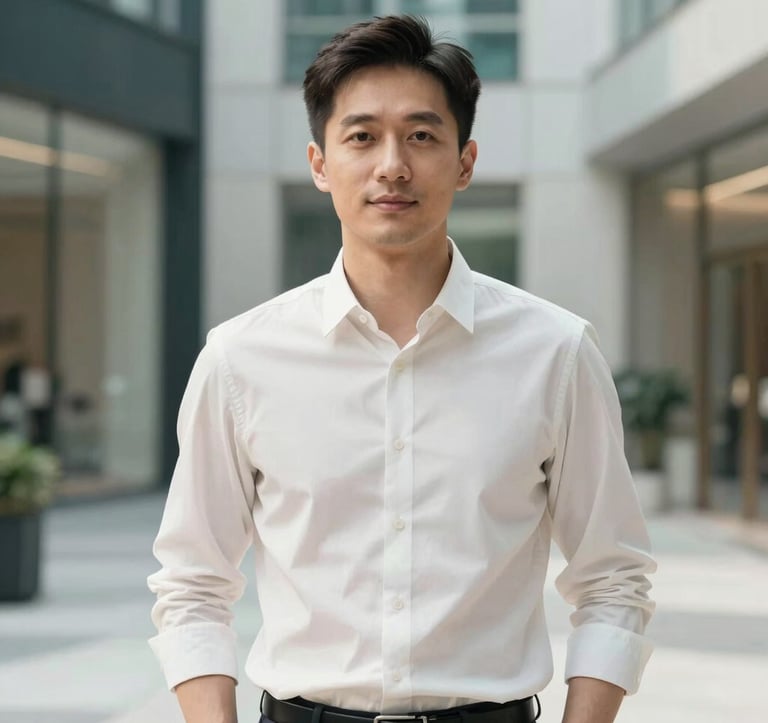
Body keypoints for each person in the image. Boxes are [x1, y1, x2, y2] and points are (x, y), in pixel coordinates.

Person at [147, 15, 655, 723]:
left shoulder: (556, 350)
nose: (393, 164)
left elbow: (612, 576)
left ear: (465, 160)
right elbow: (193, 582)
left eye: (422, 135)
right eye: (361, 136)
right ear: (320, 164)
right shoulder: (241, 357)